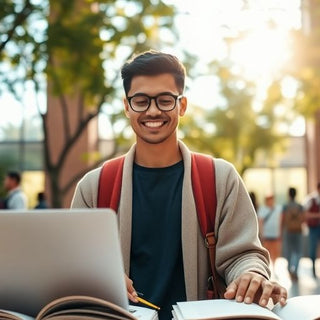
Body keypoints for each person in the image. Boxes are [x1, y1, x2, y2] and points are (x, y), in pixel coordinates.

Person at [71, 50, 287, 319]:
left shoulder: (220, 178)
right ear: (126, 106)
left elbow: (243, 255)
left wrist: (251, 275)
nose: (152, 110)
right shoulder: (95, 187)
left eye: (164, 100)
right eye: (141, 101)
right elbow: (76, 267)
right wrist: (100, 276)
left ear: (181, 106)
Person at [281, 187, 304, 281]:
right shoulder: (300, 206)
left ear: (289, 194)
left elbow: (283, 219)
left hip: (288, 231)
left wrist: (281, 230)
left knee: (289, 251)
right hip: (298, 231)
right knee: (298, 251)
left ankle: (290, 268)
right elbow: (303, 218)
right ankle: (295, 270)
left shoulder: (286, 206)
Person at [257, 194, 283, 269]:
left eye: (272, 199)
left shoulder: (278, 208)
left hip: (275, 234)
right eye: (269, 200)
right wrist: (261, 234)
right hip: (266, 235)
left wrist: (280, 233)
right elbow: (260, 222)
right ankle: (268, 266)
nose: (271, 201)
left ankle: (274, 266)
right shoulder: (262, 209)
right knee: (267, 251)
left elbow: (280, 222)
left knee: (275, 252)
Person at [303, 182, 320, 278]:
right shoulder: (311, 199)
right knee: (313, 248)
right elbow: (305, 214)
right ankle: (313, 269)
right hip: (313, 227)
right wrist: (317, 216)